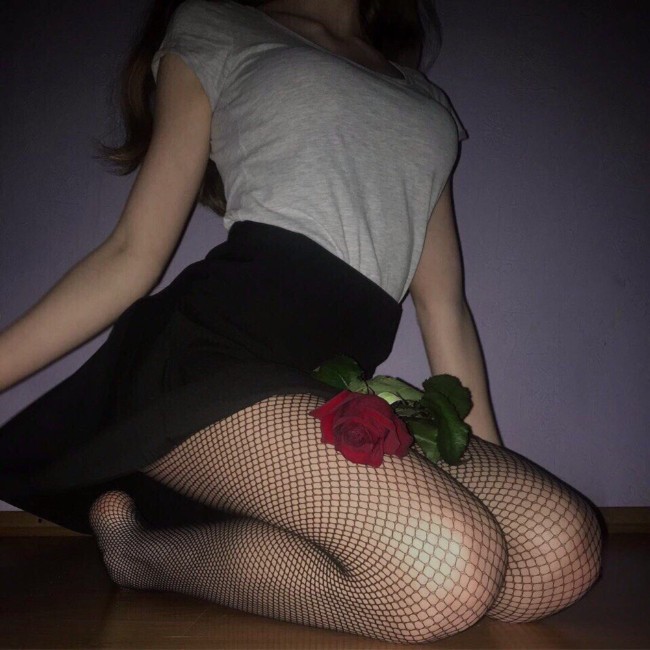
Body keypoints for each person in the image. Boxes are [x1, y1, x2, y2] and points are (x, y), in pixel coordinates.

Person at [0, 0, 603, 644]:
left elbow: (443, 306)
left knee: (558, 555)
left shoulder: (424, 97)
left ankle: (259, 535)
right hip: (210, 357)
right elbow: (130, 255)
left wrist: (491, 471)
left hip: (327, 385)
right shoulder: (217, 25)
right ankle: (146, 556)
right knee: (444, 572)